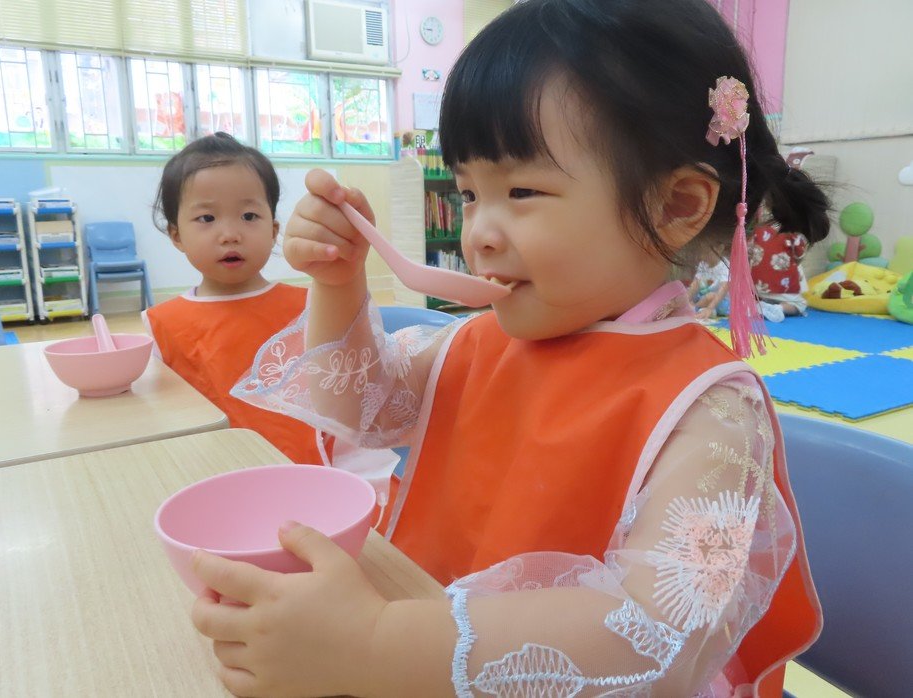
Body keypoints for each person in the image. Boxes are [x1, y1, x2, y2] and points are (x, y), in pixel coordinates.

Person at [189, 2, 831, 696]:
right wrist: (339, 285)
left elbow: (656, 638)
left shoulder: (710, 411)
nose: (478, 235)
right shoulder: (477, 339)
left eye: (521, 190)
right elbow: (359, 408)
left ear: (676, 206)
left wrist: (373, 641)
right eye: (469, 193)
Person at [143, 132, 326, 464]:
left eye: (249, 216)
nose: (230, 235)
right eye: (207, 218)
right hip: (208, 471)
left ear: (273, 231)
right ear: (177, 236)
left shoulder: (310, 306)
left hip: (304, 469)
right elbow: (161, 416)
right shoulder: (161, 324)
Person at [687, 246, 732, 320]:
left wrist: (710, 308)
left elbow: (723, 290)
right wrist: (687, 298)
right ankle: (695, 307)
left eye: (706, 252)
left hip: (719, 301)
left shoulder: (725, 265)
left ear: (720, 248)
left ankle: (695, 307)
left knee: (711, 296)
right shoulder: (703, 264)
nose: (702, 256)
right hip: (703, 297)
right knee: (686, 291)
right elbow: (695, 284)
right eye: (701, 253)